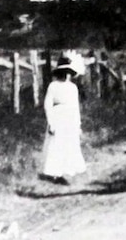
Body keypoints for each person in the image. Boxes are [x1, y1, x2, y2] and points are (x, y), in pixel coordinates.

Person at [39, 53, 87, 185]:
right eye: (63, 72)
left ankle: (66, 171)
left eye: (68, 72)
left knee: (69, 144)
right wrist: (51, 122)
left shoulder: (73, 87)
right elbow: (48, 104)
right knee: (56, 144)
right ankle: (54, 173)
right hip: (58, 117)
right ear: (59, 72)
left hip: (70, 118)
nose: (66, 75)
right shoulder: (53, 86)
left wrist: (78, 125)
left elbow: (75, 107)